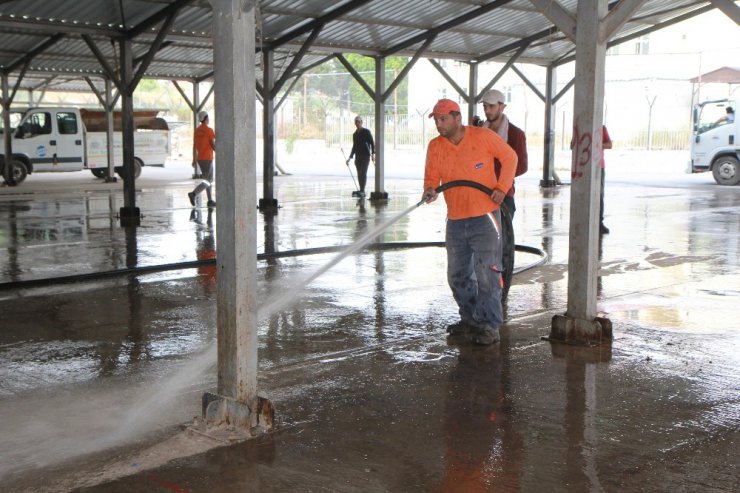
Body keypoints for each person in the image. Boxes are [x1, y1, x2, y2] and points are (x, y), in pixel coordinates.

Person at [422, 98, 518, 345]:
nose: (439, 125)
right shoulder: (436, 146)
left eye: (443, 119)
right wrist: (430, 190)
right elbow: (432, 176)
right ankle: (470, 319)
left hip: (485, 217)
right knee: (457, 274)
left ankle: (489, 325)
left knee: (487, 272)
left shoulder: (482, 137)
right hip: (455, 219)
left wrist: (501, 187)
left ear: (457, 117)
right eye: (437, 120)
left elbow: (510, 158)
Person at [478, 89, 529, 303]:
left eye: (491, 106)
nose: (488, 110)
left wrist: (499, 180)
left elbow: (522, 165)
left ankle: (501, 295)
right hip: (479, 197)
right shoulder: (478, 131)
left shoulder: (515, 135)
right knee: (481, 246)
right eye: (485, 106)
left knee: (502, 247)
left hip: (503, 198)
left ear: (502, 106)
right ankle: (484, 291)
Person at [188, 111, 216, 208]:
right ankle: (194, 193)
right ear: (205, 119)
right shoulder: (209, 130)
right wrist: (220, 153)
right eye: (208, 118)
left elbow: (194, 146)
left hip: (200, 158)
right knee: (209, 180)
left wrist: (194, 159)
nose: (209, 119)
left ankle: (210, 201)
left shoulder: (197, 131)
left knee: (207, 179)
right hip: (208, 158)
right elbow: (213, 145)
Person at [346, 116, 375, 197]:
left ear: (362, 122)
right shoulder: (355, 134)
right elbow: (354, 146)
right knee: (359, 173)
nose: (357, 123)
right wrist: (350, 158)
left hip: (366, 155)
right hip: (357, 156)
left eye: (358, 121)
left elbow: (372, 143)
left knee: (363, 172)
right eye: (356, 122)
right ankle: (361, 190)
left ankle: (362, 190)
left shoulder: (366, 132)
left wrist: (373, 154)